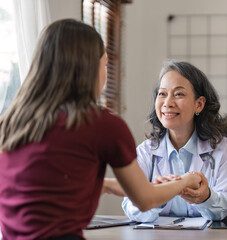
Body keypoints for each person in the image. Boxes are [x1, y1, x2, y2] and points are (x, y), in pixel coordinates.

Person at [0, 19, 201, 240]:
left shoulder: (11, 122)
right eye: (105, 64)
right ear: (87, 69)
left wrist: (105, 185)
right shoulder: (101, 125)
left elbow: (43, 185)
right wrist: (185, 181)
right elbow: (145, 200)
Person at [122, 60, 227, 222]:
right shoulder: (146, 152)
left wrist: (205, 197)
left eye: (179, 94)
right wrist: (155, 198)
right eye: (162, 94)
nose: (168, 103)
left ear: (199, 104)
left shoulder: (223, 150)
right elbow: (130, 208)